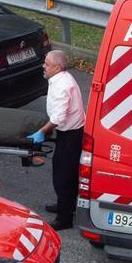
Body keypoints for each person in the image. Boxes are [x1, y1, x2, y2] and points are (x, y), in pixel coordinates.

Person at [27, 50, 84, 231]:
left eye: (47, 64)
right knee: (67, 174)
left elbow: (58, 117)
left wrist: (42, 132)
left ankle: (64, 218)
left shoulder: (61, 86)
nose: (44, 66)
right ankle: (65, 205)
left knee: (63, 176)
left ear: (57, 67)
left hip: (70, 135)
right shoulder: (61, 79)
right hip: (71, 132)